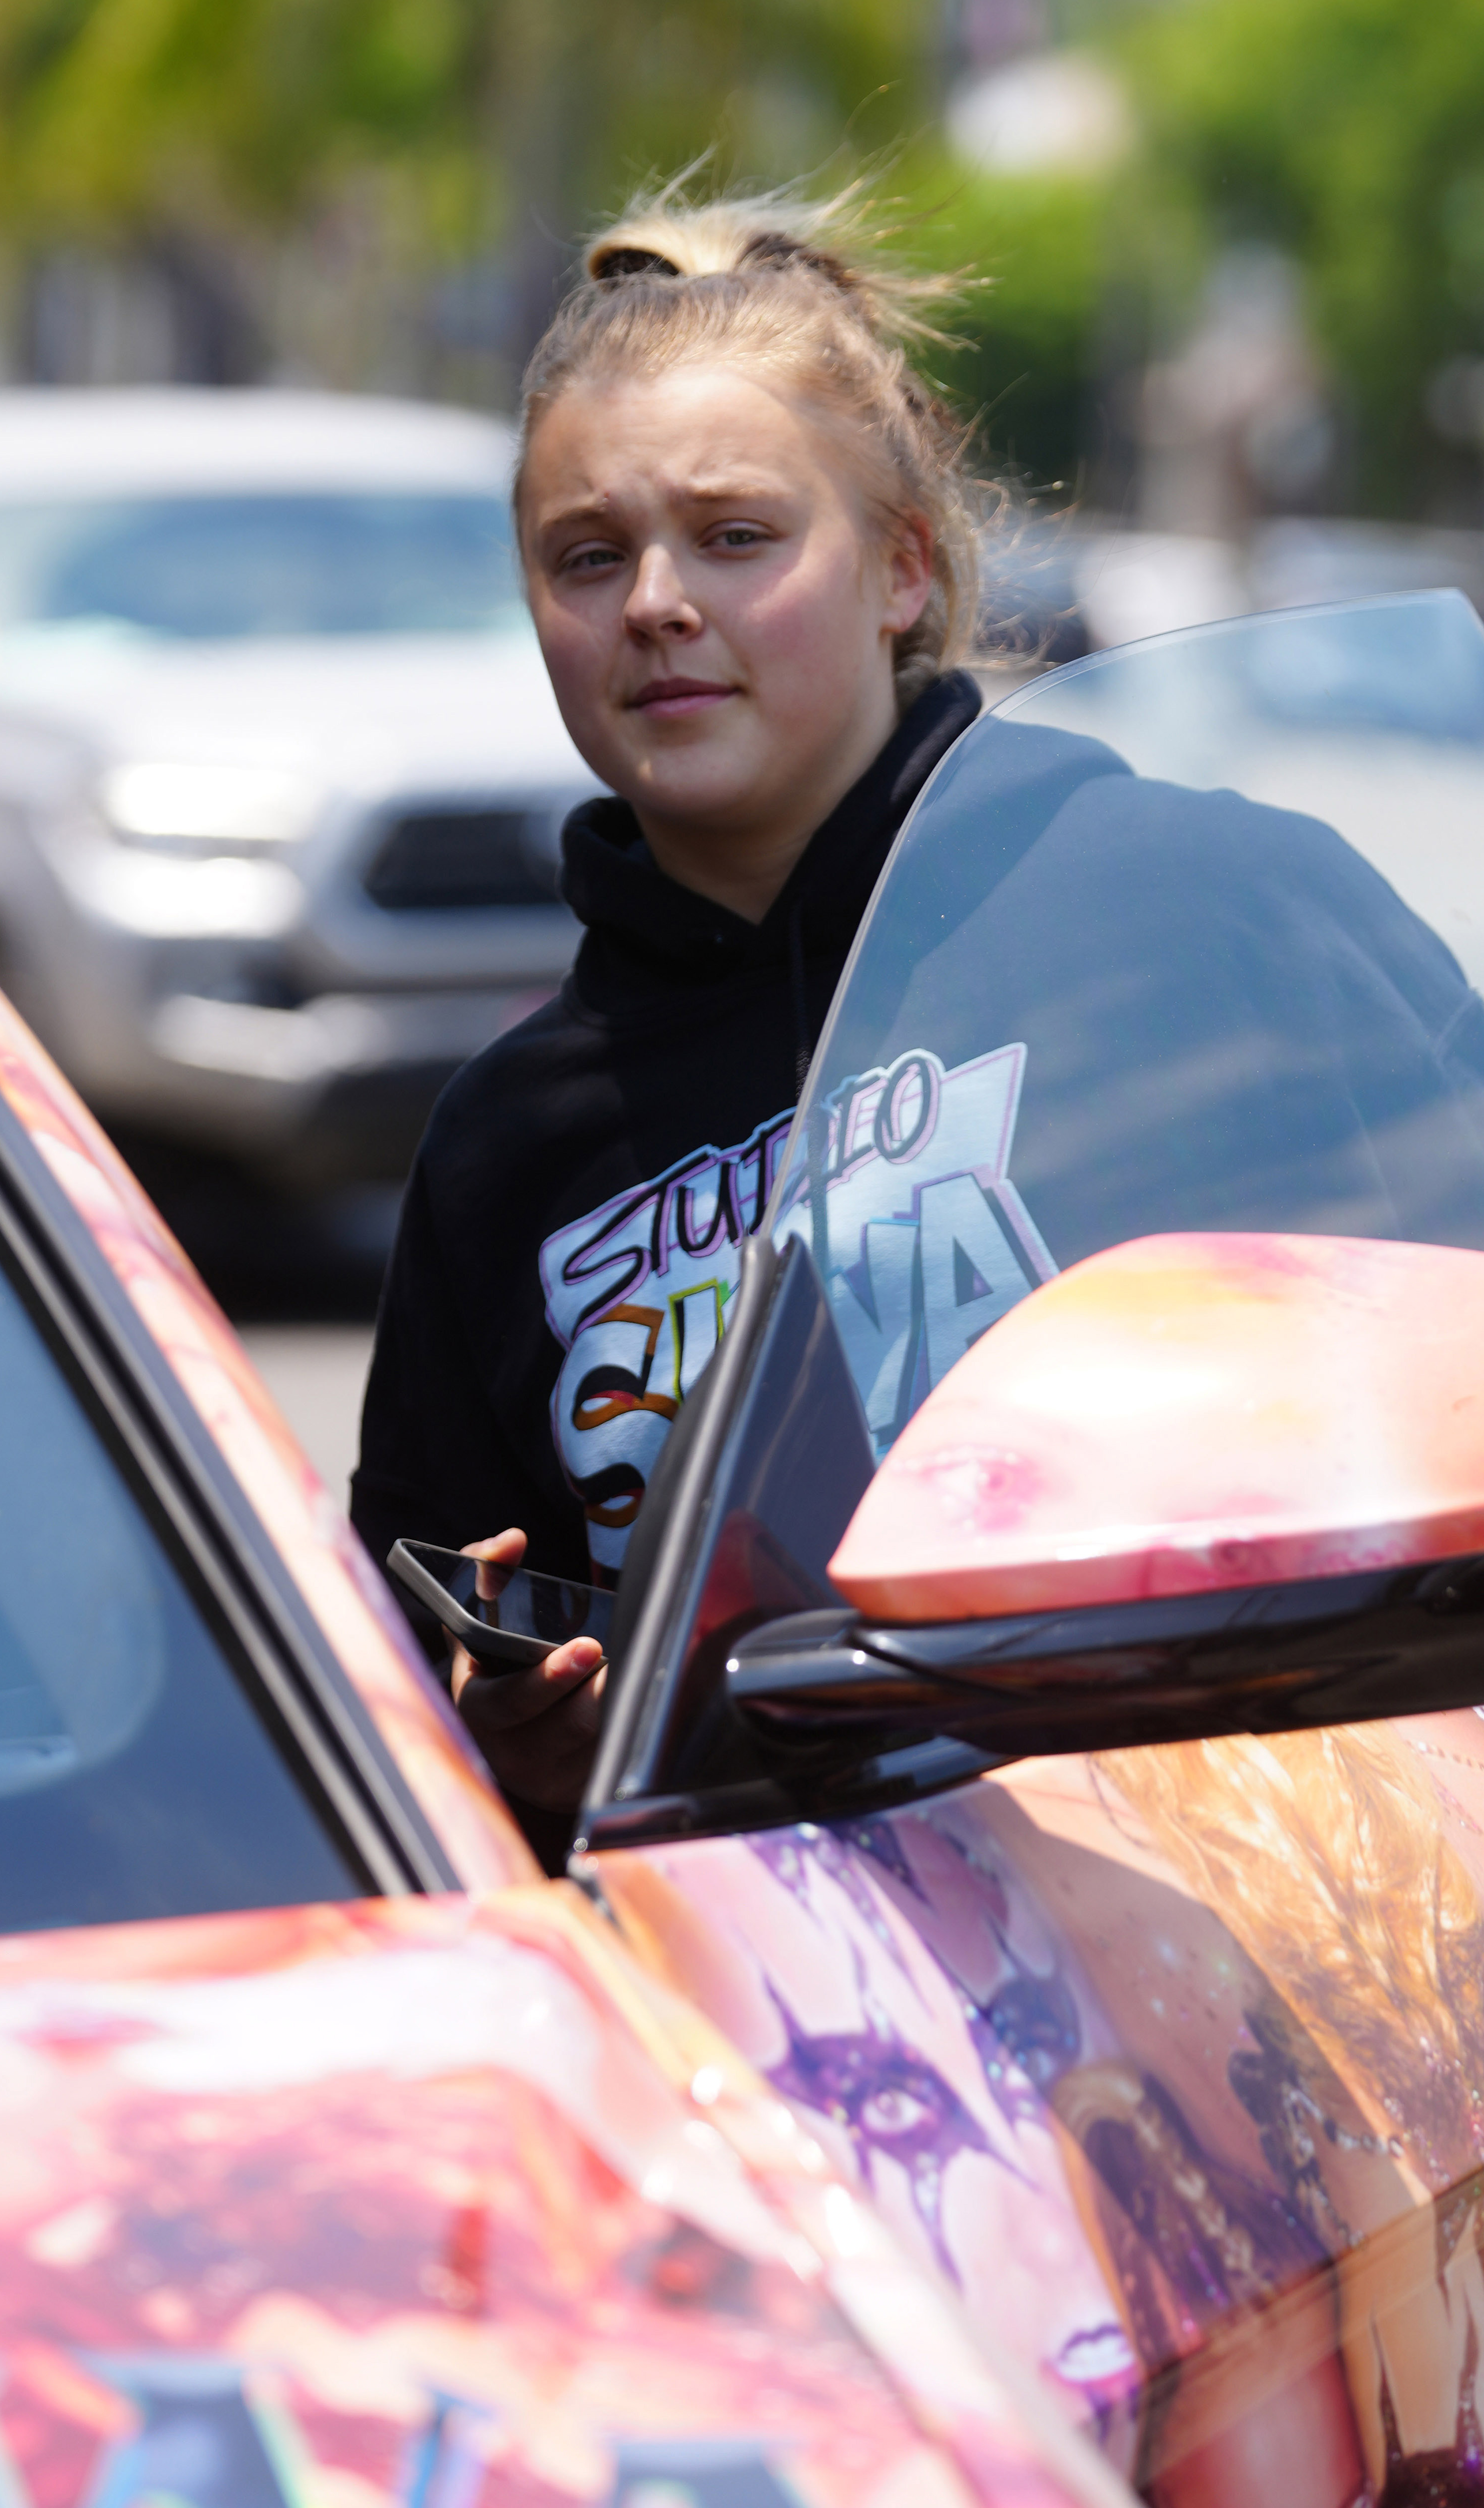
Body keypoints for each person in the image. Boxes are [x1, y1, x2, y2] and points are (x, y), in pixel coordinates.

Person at [350, 184, 987, 1837]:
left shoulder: (1177, 898)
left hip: (1270, 1947)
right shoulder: (505, 1147)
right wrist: (508, 1756)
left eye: (735, 535)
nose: (652, 603)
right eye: (587, 555)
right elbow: (401, 1712)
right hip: (763, 2018)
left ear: (903, 567)